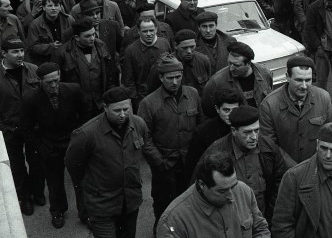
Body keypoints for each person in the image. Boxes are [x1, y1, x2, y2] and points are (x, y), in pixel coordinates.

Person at [65, 87, 150, 238]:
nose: (122, 114)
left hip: (130, 201)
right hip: (102, 204)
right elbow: (73, 164)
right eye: (117, 111)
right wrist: (90, 186)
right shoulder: (86, 133)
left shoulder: (139, 124)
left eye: (126, 109)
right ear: (105, 108)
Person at [138, 53, 205, 229]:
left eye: (178, 77)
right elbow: (144, 138)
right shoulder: (148, 103)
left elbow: (200, 127)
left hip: (189, 162)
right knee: (163, 204)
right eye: (170, 78)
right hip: (164, 164)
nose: (175, 82)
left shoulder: (193, 94)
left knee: (190, 202)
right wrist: (160, 162)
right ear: (161, 78)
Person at [195, 105, 291, 222]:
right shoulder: (215, 153)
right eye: (247, 132)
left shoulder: (268, 148)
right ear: (234, 131)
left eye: (257, 130)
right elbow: (200, 191)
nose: (254, 137)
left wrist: (270, 217)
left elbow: (280, 183)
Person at [21, 62, 88, 228]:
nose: (53, 85)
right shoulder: (31, 99)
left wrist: (80, 137)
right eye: (49, 82)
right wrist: (39, 147)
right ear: (40, 81)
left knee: (82, 180)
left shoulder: (73, 90)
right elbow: (26, 127)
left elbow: (85, 114)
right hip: (49, 146)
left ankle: (86, 213)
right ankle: (57, 211)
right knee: (54, 182)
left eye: (56, 80)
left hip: (73, 142)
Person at [157, 151, 270, 238]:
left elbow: (260, 229)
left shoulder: (244, 191)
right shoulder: (173, 221)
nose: (231, 196)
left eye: (233, 186)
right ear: (202, 184)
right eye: (222, 191)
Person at [259, 56, 332, 163]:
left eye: (308, 80)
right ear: (287, 77)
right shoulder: (269, 105)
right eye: (299, 80)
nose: (304, 86)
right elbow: (269, 146)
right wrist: (295, 169)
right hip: (284, 169)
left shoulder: (324, 98)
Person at [0, 36, 46, 215]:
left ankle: (38, 192)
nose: (20, 55)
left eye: (21, 50)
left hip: (33, 127)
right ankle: (24, 197)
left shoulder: (33, 70)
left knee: (37, 161)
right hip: (9, 128)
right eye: (15, 52)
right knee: (16, 164)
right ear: (4, 53)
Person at [51, 17, 119, 118]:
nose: (92, 38)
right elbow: (59, 84)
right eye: (88, 36)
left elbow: (110, 73)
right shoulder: (62, 54)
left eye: (93, 34)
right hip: (78, 107)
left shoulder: (101, 46)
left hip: (100, 103)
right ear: (77, 37)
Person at [184, 89, 245, 179]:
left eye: (234, 110)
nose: (231, 114)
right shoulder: (203, 132)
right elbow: (192, 166)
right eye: (226, 110)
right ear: (217, 109)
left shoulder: (245, 127)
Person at [201, 41, 273, 115]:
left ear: (248, 63)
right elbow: (208, 111)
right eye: (229, 63)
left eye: (237, 65)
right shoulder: (216, 82)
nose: (231, 68)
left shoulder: (265, 73)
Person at [121, 17, 172, 112]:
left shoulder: (164, 44)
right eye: (145, 31)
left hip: (166, 96)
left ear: (156, 29)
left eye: (151, 30)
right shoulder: (131, 51)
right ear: (138, 32)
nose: (148, 34)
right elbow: (128, 81)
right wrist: (137, 102)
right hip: (142, 98)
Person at [146, 29, 212, 96]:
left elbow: (208, 88)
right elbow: (151, 93)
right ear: (175, 46)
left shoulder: (203, 61)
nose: (189, 51)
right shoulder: (164, 64)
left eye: (192, 47)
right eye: (184, 48)